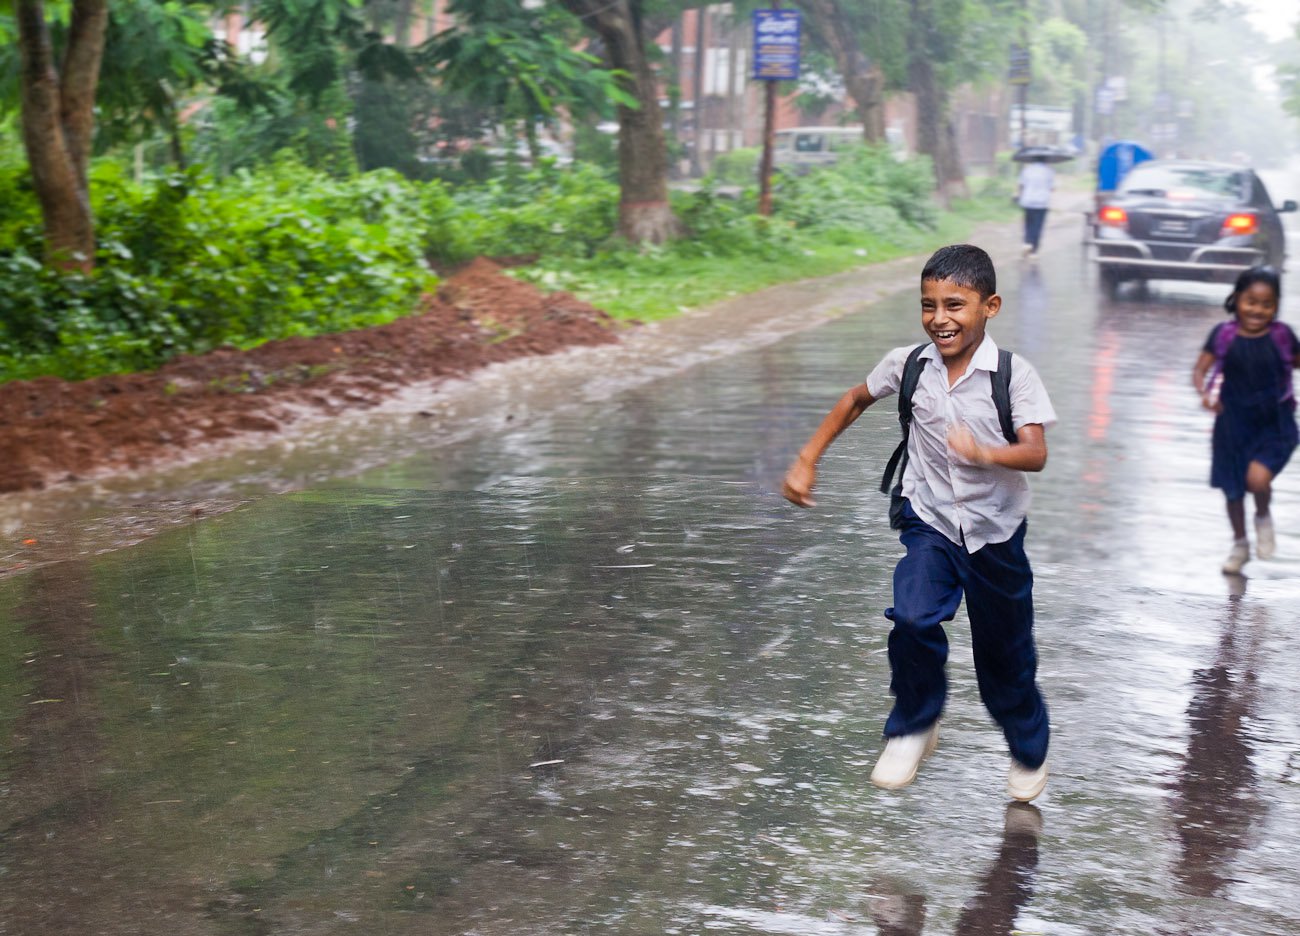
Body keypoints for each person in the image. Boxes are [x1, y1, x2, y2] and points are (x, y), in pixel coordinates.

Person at [782, 244, 1056, 802]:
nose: (939, 319)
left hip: (994, 533)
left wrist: (985, 452)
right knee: (911, 617)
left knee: (1003, 658)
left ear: (990, 306)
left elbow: (1034, 453)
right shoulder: (909, 365)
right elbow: (856, 399)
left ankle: (1028, 748)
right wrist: (808, 457)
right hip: (928, 519)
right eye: (928, 305)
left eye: (955, 304)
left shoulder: (1012, 376)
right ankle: (913, 724)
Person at [1191, 266, 1299, 574]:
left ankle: (1262, 516)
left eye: (1267, 304)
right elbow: (1200, 370)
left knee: (1257, 480)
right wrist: (1205, 394)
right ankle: (1240, 544)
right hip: (1231, 426)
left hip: (1275, 425)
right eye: (1251, 301)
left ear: (1276, 306)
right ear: (1237, 299)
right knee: (1233, 491)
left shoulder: (1282, 336)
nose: (1258, 310)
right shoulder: (1223, 335)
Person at [1015, 156, 1054, 258]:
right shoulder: (1049, 171)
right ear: (1044, 159)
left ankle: (1027, 242)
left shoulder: (1027, 170)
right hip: (1042, 202)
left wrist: (1018, 196)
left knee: (1029, 223)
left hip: (1028, 201)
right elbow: (1052, 187)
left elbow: (1021, 185)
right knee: (1038, 225)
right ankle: (1034, 251)